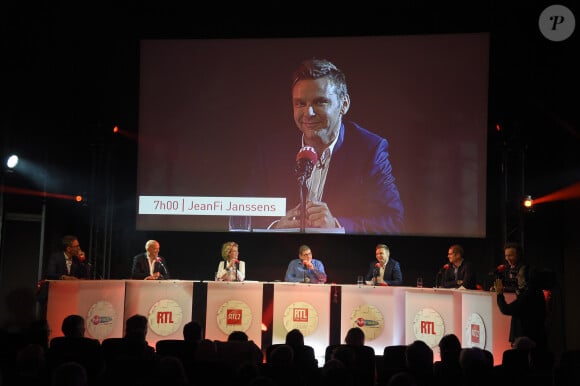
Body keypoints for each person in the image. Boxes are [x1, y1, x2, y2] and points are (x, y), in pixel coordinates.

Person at [267, 58, 404, 234]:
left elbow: (393, 222)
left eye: (320, 102)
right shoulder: (272, 150)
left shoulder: (370, 149)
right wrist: (275, 227)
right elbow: (243, 212)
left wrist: (336, 226)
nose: (308, 113)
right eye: (300, 103)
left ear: (344, 104)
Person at [494, 266, 548, 349]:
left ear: (526, 279)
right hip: (534, 339)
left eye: (519, 276)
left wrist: (499, 293)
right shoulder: (537, 291)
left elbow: (505, 309)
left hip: (525, 342)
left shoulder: (529, 295)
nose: (517, 277)